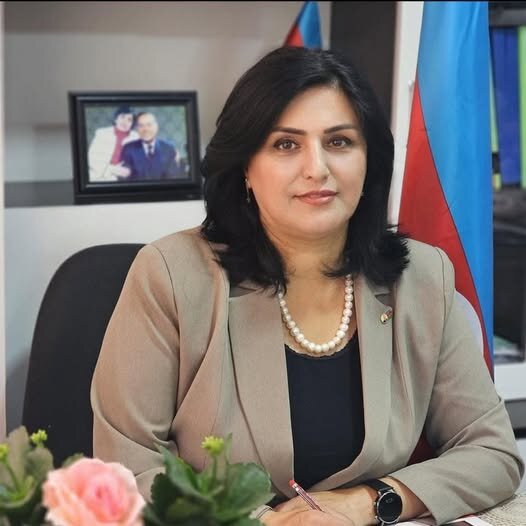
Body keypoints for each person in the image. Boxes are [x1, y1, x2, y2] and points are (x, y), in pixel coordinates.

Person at [91, 47, 523, 525]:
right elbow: (126, 466)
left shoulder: (422, 277)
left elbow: (492, 452)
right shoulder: (170, 275)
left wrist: (371, 500)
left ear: (369, 161)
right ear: (245, 168)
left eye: (339, 142)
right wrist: (267, 522)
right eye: (285, 145)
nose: (317, 168)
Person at [119, 112, 184, 180]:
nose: (145, 129)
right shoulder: (128, 149)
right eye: (141, 126)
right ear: (137, 129)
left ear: (156, 127)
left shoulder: (168, 149)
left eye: (149, 125)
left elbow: (173, 178)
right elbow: (124, 179)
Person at [87, 106, 138, 181]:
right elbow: (91, 159)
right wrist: (111, 169)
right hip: (99, 174)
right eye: (122, 117)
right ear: (115, 119)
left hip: (124, 177)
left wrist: (130, 171)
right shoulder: (102, 133)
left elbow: (139, 162)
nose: (125, 122)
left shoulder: (136, 137)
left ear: (132, 124)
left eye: (129, 120)